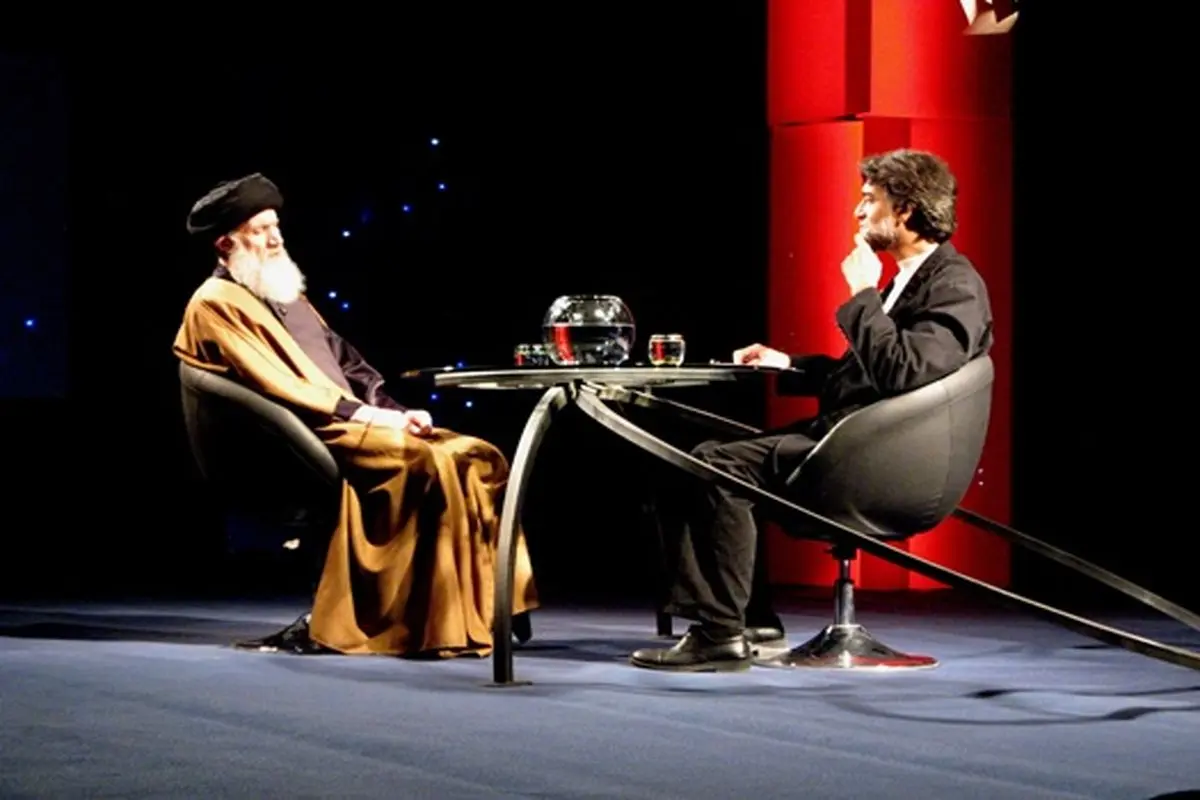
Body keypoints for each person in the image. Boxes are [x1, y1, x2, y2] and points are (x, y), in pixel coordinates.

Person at [633, 148, 994, 672]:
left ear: (906, 210)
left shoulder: (954, 284)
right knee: (689, 461)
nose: (857, 211)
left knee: (717, 466)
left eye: (869, 199)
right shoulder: (913, 279)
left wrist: (863, 292)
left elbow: (903, 374)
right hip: (856, 444)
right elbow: (867, 376)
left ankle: (718, 634)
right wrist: (788, 363)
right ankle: (749, 620)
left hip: (881, 463)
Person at [173, 173, 539, 657]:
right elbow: (277, 384)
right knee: (426, 462)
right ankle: (417, 623)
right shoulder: (213, 303)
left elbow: (347, 362)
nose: (276, 238)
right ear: (226, 243)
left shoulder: (284, 291)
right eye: (261, 230)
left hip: (358, 419)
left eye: (276, 226)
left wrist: (396, 411)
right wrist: (368, 417)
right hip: (312, 432)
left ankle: (489, 609)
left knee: (475, 455)